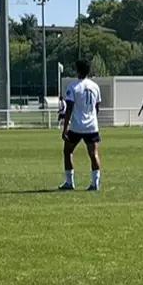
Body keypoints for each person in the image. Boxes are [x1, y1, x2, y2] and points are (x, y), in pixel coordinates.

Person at [58, 59, 103, 192]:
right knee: (93, 154)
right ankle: (95, 184)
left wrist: (65, 128)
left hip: (77, 126)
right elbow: (97, 107)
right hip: (92, 126)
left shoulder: (73, 86)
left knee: (68, 151)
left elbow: (69, 109)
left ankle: (69, 182)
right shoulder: (95, 86)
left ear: (78, 70)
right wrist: (92, 118)